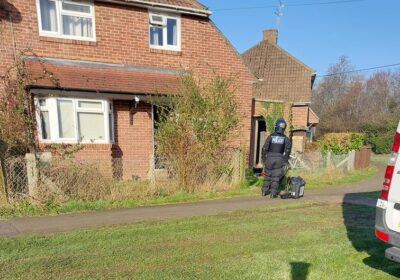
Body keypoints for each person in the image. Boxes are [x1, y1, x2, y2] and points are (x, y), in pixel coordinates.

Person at [261, 118, 292, 198]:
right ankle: (273, 193)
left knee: (267, 175)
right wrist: (285, 161)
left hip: (269, 158)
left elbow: (264, 149)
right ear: (284, 127)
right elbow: (287, 151)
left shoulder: (270, 137)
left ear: (276, 126)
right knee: (276, 177)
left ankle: (264, 191)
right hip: (279, 159)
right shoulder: (286, 139)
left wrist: (264, 160)